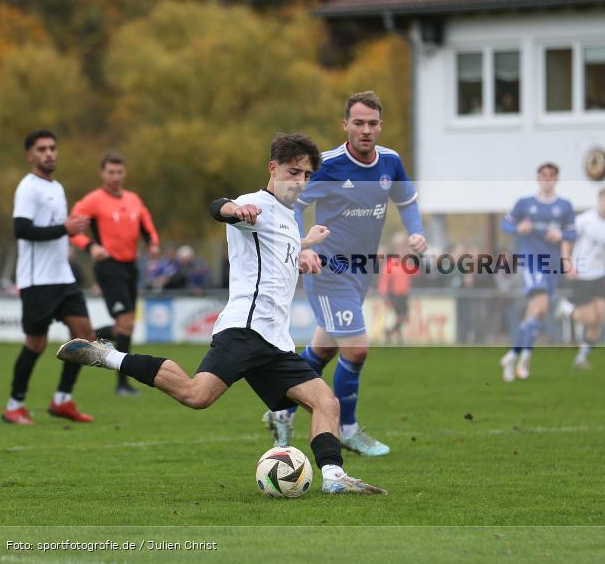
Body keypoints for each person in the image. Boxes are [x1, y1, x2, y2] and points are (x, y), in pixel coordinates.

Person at [56, 132, 386, 494]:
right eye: (294, 172)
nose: (300, 181)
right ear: (273, 169)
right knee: (197, 396)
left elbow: (278, 244)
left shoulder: (291, 220)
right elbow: (220, 207)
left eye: (306, 175)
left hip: (276, 341)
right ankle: (108, 355)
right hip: (244, 331)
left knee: (326, 401)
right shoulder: (253, 204)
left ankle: (335, 479)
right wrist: (233, 210)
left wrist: (304, 248)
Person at [263, 91, 427, 455]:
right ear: (346, 125)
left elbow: (407, 202)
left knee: (321, 352)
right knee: (356, 351)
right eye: (359, 123)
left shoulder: (391, 162)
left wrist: (416, 231)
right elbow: (292, 205)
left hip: (361, 273)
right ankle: (347, 428)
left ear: (380, 126)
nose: (366, 130)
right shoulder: (329, 165)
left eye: (372, 123)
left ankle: (282, 412)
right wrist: (302, 247)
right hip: (328, 270)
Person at [2, 129, 96, 425]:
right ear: (30, 155)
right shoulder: (27, 188)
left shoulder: (57, 188)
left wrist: (69, 234)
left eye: (53, 148)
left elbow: (58, 229)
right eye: (42, 149)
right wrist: (64, 229)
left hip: (63, 278)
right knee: (36, 344)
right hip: (37, 280)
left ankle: (62, 400)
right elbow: (22, 230)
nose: (49, 153)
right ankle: (14, 406)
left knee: (85, 337)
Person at [70, 152, 160, 396]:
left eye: (119, 172)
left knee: (126, 327)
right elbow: (72, 228)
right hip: (109, 266)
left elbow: (147, 224)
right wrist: (91, 247)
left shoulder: (133, 199)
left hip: (130, 267)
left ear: (125, 173)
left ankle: (87, 339)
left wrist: (153, 243)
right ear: (102, 173)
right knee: (127, 322)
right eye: (110, 172)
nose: (115, 177)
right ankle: (122, 384)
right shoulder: (93, 200)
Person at [499, 162, 576, 382]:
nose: (547, 178)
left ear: (557, 179)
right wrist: (518, 228)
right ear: (538, 177)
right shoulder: (525, 203)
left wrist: (561, 239)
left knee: (535, 313)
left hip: (553, 265)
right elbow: (505, 225)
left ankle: (515, 357)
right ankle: (521, 358)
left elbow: (571, 235)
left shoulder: (565, 206)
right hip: (532, 261)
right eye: (544, 174)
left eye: (552, 175)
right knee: (541, 308)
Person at [555, 186, 605, 368]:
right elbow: (566, 240)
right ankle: (566, 310)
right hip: (581, 273)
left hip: (600, 275)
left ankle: (582, 358)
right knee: (590, 317)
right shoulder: (584, 220)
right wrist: (567, 263)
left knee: (600, 319)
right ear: (599, 200)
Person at [378, 231, 417, 344]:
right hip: (394, 294)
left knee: (403, 316)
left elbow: (415, 274)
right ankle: (394, 334)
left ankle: (391, 333)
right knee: (400, 316)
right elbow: (384, 280)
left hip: (404, 294)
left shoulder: (407, 262)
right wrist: (384, 293)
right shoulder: (391, 263)